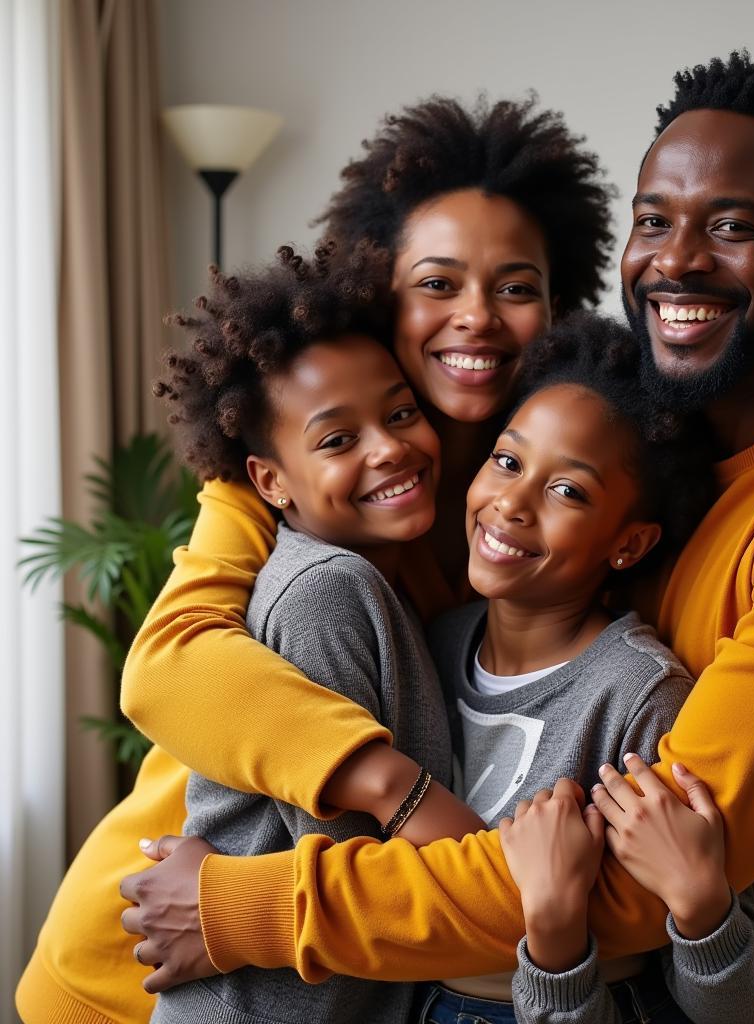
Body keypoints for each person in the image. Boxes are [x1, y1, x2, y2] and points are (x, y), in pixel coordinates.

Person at [114, 52, 754, 1022]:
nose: (676, 260)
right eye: (653, 221)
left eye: (731, 226)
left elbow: (627, 885)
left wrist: (240, 905)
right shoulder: (444, 466)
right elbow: (168, 658)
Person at [15, 94, 614, 1024]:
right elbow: (168, 666)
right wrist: (395, 789)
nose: (478, 320)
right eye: (439, 284)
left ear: (556, 303)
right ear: (386, 296)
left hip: (310, 953)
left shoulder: (539, 499)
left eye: (516, 287)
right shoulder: (279, 493)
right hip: (147, 949)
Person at [150, 245, 490, 1024]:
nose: (389, 447)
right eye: (337, 440)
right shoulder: (327, 592)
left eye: (401, 413)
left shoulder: (379, 571)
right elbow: (348, 880)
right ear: (270, 481)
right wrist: (503, 872)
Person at [413, 312, 754, 1024]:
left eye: (568, 491)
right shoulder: (434, 642)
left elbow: (732, 1007)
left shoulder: (640, 692)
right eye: (508, 461)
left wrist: (695, 901)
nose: (511, 504)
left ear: (629, 543)